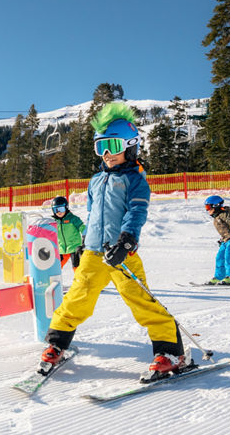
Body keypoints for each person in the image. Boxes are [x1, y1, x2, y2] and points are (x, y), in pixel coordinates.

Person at [40, 102, 189, 382]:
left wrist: (128, 240)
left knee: (141, 300)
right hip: (94, 254)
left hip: (122, 253)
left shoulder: (136, 180)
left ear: (131, 145)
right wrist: (85, 241)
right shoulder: (95, 180)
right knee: (77, 298)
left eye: (112, 145)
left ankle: (170, 352)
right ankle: (57, 343)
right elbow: (93, 214)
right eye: (100, 147)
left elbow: (137, 212)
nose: (107, 154)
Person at [205, 195, 230, 285]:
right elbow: (224, 230)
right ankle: (220, 277)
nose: (207, 210)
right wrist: (222, 239)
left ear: (216, 205)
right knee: (219, 258)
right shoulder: (216, 217)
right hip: (226, 240)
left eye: (208, 207)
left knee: (228, 258)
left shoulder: (224, 214)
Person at [51, 196, 86, 270]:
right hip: (62, 249)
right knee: (56, 267)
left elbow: (82, 227)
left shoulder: (73, 219)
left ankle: (80, 280)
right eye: (55, 210)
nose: (58, 212)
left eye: (61, 209)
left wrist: (85, 236)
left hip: (74, 247)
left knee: (77, 267)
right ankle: (53, 280)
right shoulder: (54, 222)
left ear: (66, 208)